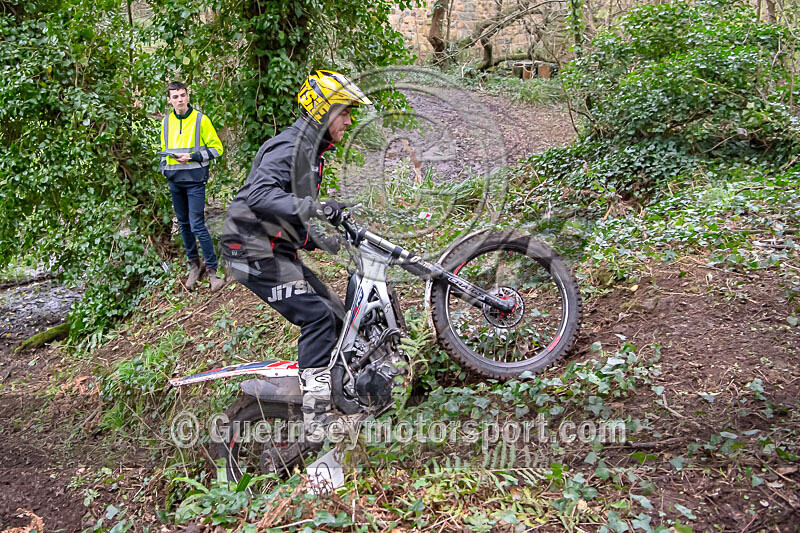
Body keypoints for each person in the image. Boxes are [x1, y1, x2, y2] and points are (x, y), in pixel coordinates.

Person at [221, 70, 371, 444]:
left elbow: (285, 210)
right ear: (323, 111)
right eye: (344, 112)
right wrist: (316, 207)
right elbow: (260, 196)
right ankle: (317, 419)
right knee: (317, 316)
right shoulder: (291, 147)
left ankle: (336, 393)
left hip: (271, 247)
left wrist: (320, 239)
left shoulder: (311, 151)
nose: (349, 121)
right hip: (249, 250)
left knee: (336, 313)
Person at [161, 81, 225, 292]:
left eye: (182, 95)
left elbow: (217, 149)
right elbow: (163, 150)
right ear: (169, 100)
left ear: (188, 96)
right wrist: (164, 169)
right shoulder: (166, 122)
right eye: (175, 96)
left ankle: (213, 271)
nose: (180, 99)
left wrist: (191, 156)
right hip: (175, 180)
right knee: (183, 224)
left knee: (197, 224)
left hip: (195, 180)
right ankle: (194, 265)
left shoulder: (201, 120)